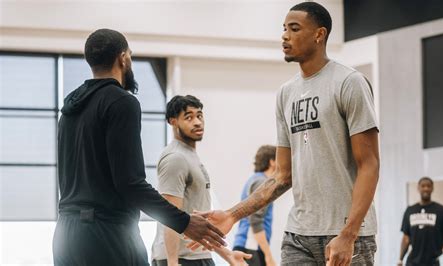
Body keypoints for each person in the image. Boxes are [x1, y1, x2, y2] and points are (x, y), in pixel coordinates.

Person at [191, 2, 380, 266]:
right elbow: (282, 176)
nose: (284, 36)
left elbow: (369, 164)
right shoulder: (286, 93)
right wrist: (232, 215)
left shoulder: (349, 83)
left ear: (319, 34)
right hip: (298, 236)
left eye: (294, 28)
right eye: (283, 29)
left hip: (347, 234)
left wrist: (349, 234)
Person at [52, 29, 225, 266]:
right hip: (107, 234)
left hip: (66, 236)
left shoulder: (70, 108)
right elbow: (129, 183)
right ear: (123, 58)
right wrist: (184, 222)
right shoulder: (121, 102)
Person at [151, 95, 251, 266]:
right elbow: (169, 215)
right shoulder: (176, 158)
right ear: (173, 122)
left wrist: (227, 255)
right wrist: (172, 263)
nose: (197, 122)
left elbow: (198, 220)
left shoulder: (189, 155)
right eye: (188, 117)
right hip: (181, 259)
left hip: (197, 255)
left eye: (199, 115)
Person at [233, 145, 277, 266]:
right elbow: (255, 221)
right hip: (251, 248)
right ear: (272, 162)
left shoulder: (254, 179)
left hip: (247, 246)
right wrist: (268, 256)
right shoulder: (262, 183)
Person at [398, 177, 443, 266]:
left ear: (432, 188)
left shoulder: (442, 210)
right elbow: (406, 238)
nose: (426, 188)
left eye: (428, 186)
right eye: (423, 186)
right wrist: (400, 259)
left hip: (434, 262)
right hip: (412, 262)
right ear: (418, 188)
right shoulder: (410, 210)